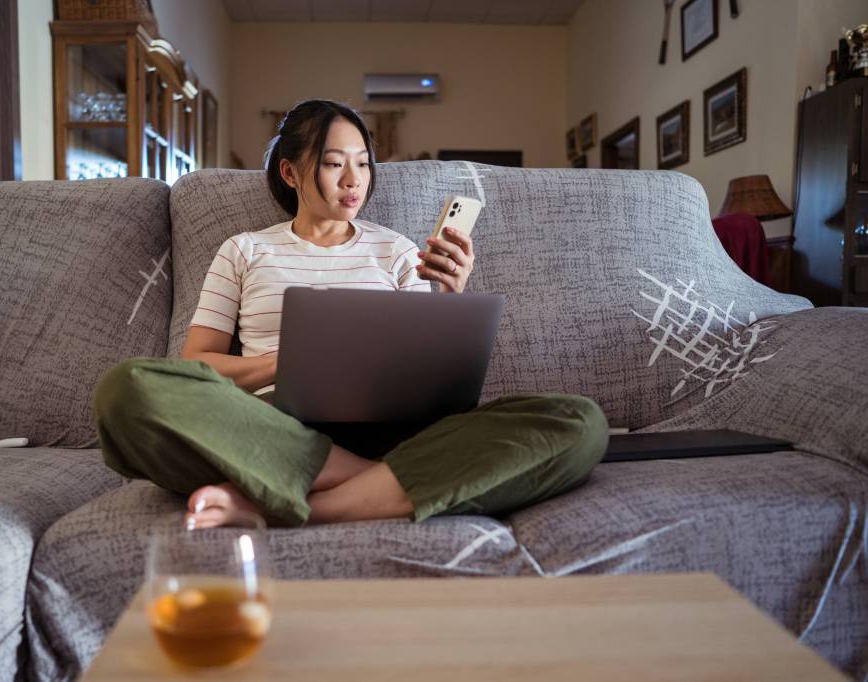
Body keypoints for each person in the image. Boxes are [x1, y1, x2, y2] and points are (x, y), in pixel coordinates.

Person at [94, 99, 608, 530]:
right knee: (127, 390)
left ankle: (294, 503)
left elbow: (432, 374)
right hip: (269, 426)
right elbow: (199, 366)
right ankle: (384, 480)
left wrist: (452, 297)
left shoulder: (398, 251)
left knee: (578, 423)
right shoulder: (243, 250)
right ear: (290, 171)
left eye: (362, 163)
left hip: (395, 427)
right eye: (334, 162)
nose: (353, 180)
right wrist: (292, 363)